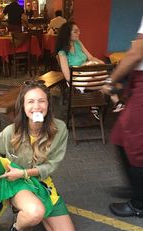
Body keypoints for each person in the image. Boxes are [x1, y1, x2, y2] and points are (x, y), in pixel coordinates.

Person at [0, 80, 77, 231]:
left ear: (48, 104)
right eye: (30, 101)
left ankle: (34, 214)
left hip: (42, 183)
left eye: (41, 101)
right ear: (23, 106)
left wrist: (25, 172)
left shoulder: (60, 129)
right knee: (35, 212)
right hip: (17, 183)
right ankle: (17, 229)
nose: (37, 107)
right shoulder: (11, 132)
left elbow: (51, 165)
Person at [102, 16, 143, 218]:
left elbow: (137, 51)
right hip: (138, 82)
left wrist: (112, 79)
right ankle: (136, 187)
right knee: (120, 137)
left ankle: (139, 204)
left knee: (135, 144)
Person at [56, 22, 125, 116]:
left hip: (90, 73)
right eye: (75, 31)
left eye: (79, 30)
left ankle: (110, 102)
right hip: (76, 78)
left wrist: (103, 64)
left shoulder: (78, 43)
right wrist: (84, 67)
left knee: (103, 74)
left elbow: (91, 57)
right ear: (67, 34)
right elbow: (68, 77)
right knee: (105, 82)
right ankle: (112, 99)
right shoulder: (62, 53)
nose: (79, 33)